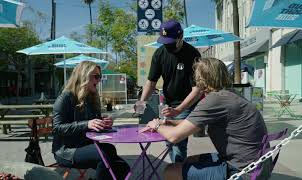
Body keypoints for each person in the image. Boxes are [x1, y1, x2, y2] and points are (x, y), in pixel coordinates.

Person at [140, 58, 271, 179]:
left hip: (243, 171)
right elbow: (193, 123)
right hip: (258, 165)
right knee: (190, 160)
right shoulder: (229, 95)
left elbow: (175, 137)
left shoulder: (215, 99)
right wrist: (167, 122)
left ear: (201, 79)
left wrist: (156, 125)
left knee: (170, 171)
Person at [137, 19, 202, 163]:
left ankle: (178, 173)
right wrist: (141, 104)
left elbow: (197, 90)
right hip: (167, 103)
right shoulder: (160, 54)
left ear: (181, 36)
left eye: (171, 43)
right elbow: (151, 82)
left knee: (178, 142)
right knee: (167, 139)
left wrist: (178, 110)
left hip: (185, 103)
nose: (168, 46)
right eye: (165, 42)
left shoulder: (193, 55)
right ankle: (175, 171)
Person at [52, 61, 130, 180]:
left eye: (100, 76)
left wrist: (103, 122)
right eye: (96, 76)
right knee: (104, 156)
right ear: (84, 76)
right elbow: (57, 128)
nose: (99, 80)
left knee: (122, 167)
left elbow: (93, 122)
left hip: (85, 144)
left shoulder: (91, 97)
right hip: (66, 151)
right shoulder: (65, 98)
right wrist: (87, 124)